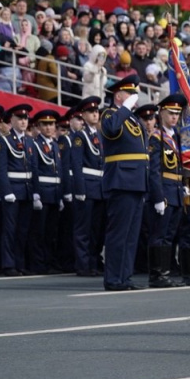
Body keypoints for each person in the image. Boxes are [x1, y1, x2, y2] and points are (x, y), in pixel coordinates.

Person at [100, 74, 149, 291]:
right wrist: (125, 108)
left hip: (137, 181)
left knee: (131, 235)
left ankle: (124, 277)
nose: (134, 97)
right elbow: (111, 129)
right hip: (121, 180)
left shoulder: (132, 119)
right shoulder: (110, 114)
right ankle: (113, 278)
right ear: (119, 95)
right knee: (118, 233)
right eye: (129, 93)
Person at [145, 94, 187, 288]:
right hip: (164, 191)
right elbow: (154, 170)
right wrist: (158, 196)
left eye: (177, 114)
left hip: (176, 191)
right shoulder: (156, 137)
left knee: (169, 235)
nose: (174, 117)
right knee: (159, 234)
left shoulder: (177, 137)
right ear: (161, 113)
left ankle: (166, 271)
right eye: (171, 113)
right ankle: (157, 274)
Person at [70, 97, 105, 276]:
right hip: (86, 187)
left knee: (96, 229)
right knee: (83, 229)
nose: (95, 114)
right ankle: (83, 265)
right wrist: (80, 189)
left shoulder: (99, 136)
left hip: (99, 188)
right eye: (91, 112)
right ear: (83, 115)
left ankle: (93, 262)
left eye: (96, 111)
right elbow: (76, 165)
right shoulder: (79, 136)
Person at [0, 104, 36, 275]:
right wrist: (6, 191)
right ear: (11, 120)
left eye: (25, 118)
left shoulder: (29, 141)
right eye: (19, 118)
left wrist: (35, 192)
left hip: (27, 191)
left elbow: (33, 168)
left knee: (23, 230)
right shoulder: (4, 140)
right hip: (12, 190)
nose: (23, 121)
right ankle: (8, 264)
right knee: (9, 229)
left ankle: (20, 263)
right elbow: (1, 168)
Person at [27, 109, 64, 274]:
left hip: (55, 193)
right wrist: (36, 193)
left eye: (51, 124)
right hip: (42, 192)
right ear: (39, 126)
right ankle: (38, 263)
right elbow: (34, 169)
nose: (49, 128)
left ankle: (49, 262)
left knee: (51, 231)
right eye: (45, 124)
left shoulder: (55, 145)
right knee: (39, 231)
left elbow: (59, 171)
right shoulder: (35, 144)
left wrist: (61, 195)